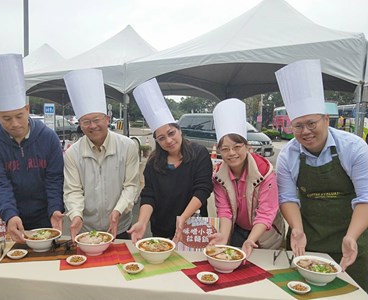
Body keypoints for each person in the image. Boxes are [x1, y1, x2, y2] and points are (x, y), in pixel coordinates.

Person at [275, 59, 368, 291]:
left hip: (354, 241)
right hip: (307, 243)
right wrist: (296, 229)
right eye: (298, 126)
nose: (305, 131)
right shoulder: (288, 155)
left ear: (326, 119)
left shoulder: (354, 148)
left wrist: (351, 237)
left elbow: (365, 197)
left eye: (311, 123)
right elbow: (287, 198)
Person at [0, 54, 65, 243]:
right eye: (7, 118)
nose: (15, 124)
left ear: (27, 108)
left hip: (45, 215)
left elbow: (54, 179)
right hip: (10, 216)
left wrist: (56, 208)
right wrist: (9, 215)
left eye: (19, 116)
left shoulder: (48, 138)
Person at [128, 78, 213, 243]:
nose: (168, 140)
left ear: (179, 131)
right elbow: (149, 194)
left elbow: (203, 189)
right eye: (161, 138)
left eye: (171, 133)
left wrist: (183, 218)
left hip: (193, 226)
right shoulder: (153, 162)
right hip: (161, 228)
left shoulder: (199, 153)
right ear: (157, 141)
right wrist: (142, 221)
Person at [63, 69, 140, 242]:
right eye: (86, 122)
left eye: (97, 120)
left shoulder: (127, 146)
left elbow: (131, 186)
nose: (92, 126)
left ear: (107, 119)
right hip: (86, 228)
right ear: (80, 125)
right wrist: (75, 215)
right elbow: (73, 190)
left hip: (119, 224)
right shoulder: (72, 154)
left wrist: (118, 210)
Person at [209, 99, 284, 258]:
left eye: (237, 147)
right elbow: (225, 210)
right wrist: (223, 235)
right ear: (220, 151)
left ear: (247, 146)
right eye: (225, 149)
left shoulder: (264, 172)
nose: (231, 153)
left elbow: (266, 212)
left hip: (266, 234)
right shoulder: (219, 177)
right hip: (237, 230)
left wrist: (251, 240)